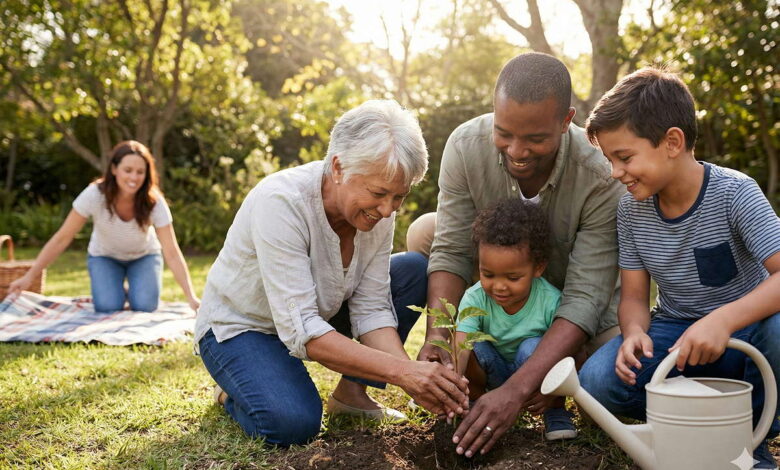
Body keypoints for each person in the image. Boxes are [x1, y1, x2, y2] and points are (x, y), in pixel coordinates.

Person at [195, 99, 469, 447]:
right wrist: (406, 373)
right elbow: (305, 330)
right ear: (338, 167)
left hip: (316, 312)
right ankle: (231, 389)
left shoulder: (377, 210)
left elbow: (371, 308)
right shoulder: (281, 203)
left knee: (413, 270)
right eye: (379, 193)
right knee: (293, 423)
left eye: (399, 196)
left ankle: (351, 396)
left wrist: (417, 379)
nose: (387, 210)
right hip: (243, 327)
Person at [407, 52, 625, 457]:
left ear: (565, 121)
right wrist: (440, 335)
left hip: (568, 295)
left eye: (536, 138)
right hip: (499, 283)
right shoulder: (465, 146)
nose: (517, 150)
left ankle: (552, 370)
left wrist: (517, 389)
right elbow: (453, 248)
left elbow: (586, 296)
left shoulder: (599, 172)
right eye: (504, 132)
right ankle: (481, 372)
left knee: (607, 386)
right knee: (425, 231)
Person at [578, 67, 780, 469]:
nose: (616, 172)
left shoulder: (735, 192)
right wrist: (634, 332)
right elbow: (634, 296)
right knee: (596, 381)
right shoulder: (631, 211)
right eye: (609, 160)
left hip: (746, 335)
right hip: (676, 337)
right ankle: (696, 418)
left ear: (672, 142)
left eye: (624, 157)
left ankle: (746, 444)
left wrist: (722, 321)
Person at [7, 140, 200, 313]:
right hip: (104, 257)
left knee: (145, 306)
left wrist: (191, 298)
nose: (134, 177)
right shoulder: (94, 195)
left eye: (140, 172)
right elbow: (62, 238)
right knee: (108, 307)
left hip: (144, 257)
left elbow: (172, 251)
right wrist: (29, 276)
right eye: (128, 170)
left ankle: (134, 288)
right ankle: (117, 288)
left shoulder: (154, 201)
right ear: (114, 169)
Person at [454, 198, 578, 441]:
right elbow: (460, 347)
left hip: (536, 377)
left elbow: (569, 354)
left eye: (512, 278)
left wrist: (552, 393)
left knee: (535, 346)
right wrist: (453, 385)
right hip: (494, 372)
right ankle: (475, 403)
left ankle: (555, 410)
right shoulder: (475, 297)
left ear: (538, 268)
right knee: (472, 345)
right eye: (488, 274)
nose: (499, 287)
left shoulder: (550, 300)